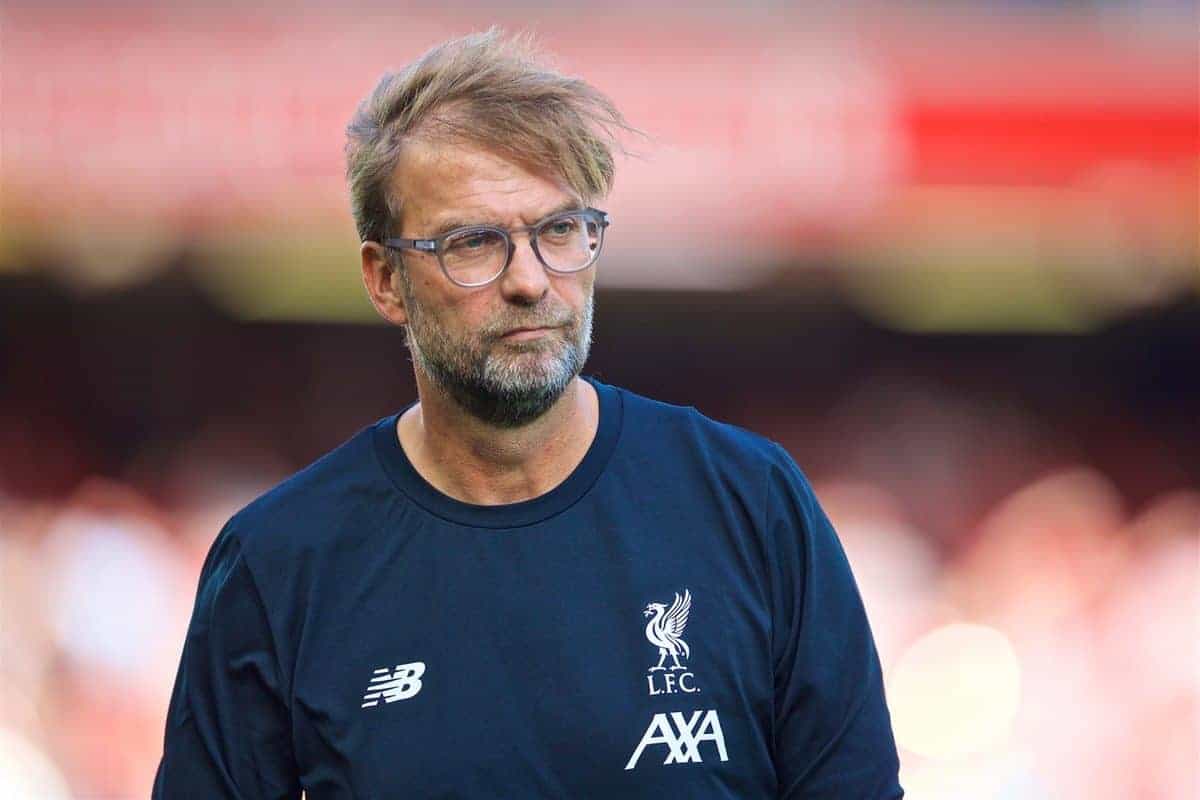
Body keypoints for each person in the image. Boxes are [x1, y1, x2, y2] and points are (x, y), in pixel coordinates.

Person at [153, 29, 903, 799]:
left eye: (559, 230)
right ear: (384, 279)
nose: (529, 280)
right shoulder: (279, 563)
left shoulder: (752, 505)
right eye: (474, 242)